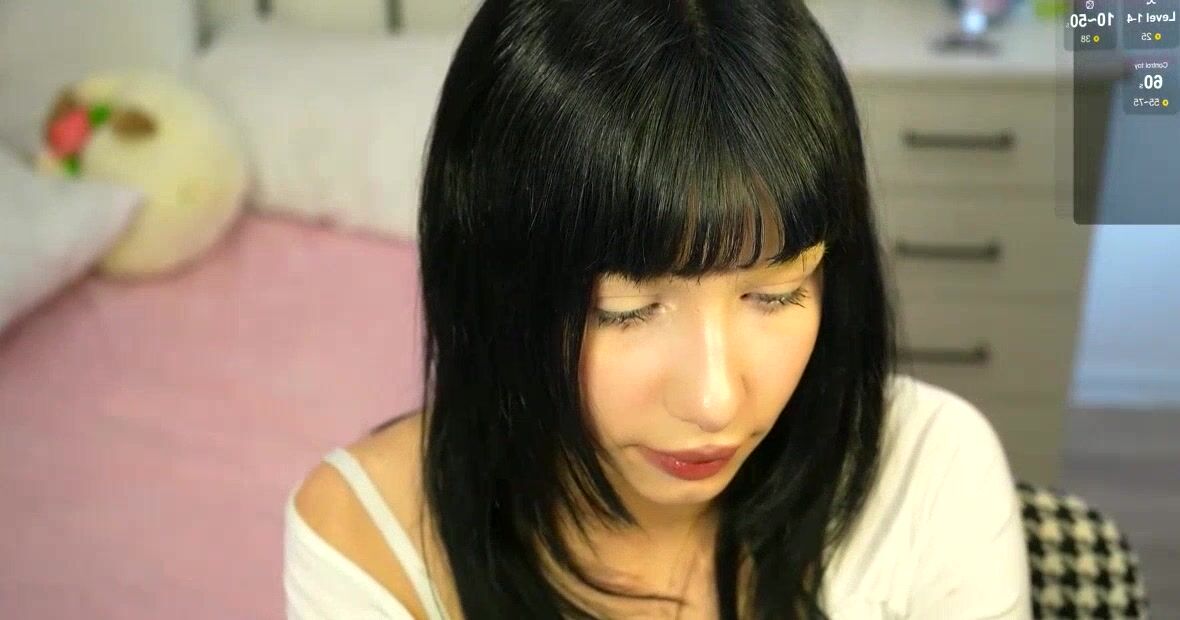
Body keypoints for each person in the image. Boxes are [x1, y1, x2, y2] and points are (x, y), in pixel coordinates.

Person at [283, 0, 1031, 618]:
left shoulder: (932, 471)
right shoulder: (371, 537)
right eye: (627, 309)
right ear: (493, 285)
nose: (715, 402)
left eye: (776, 294)